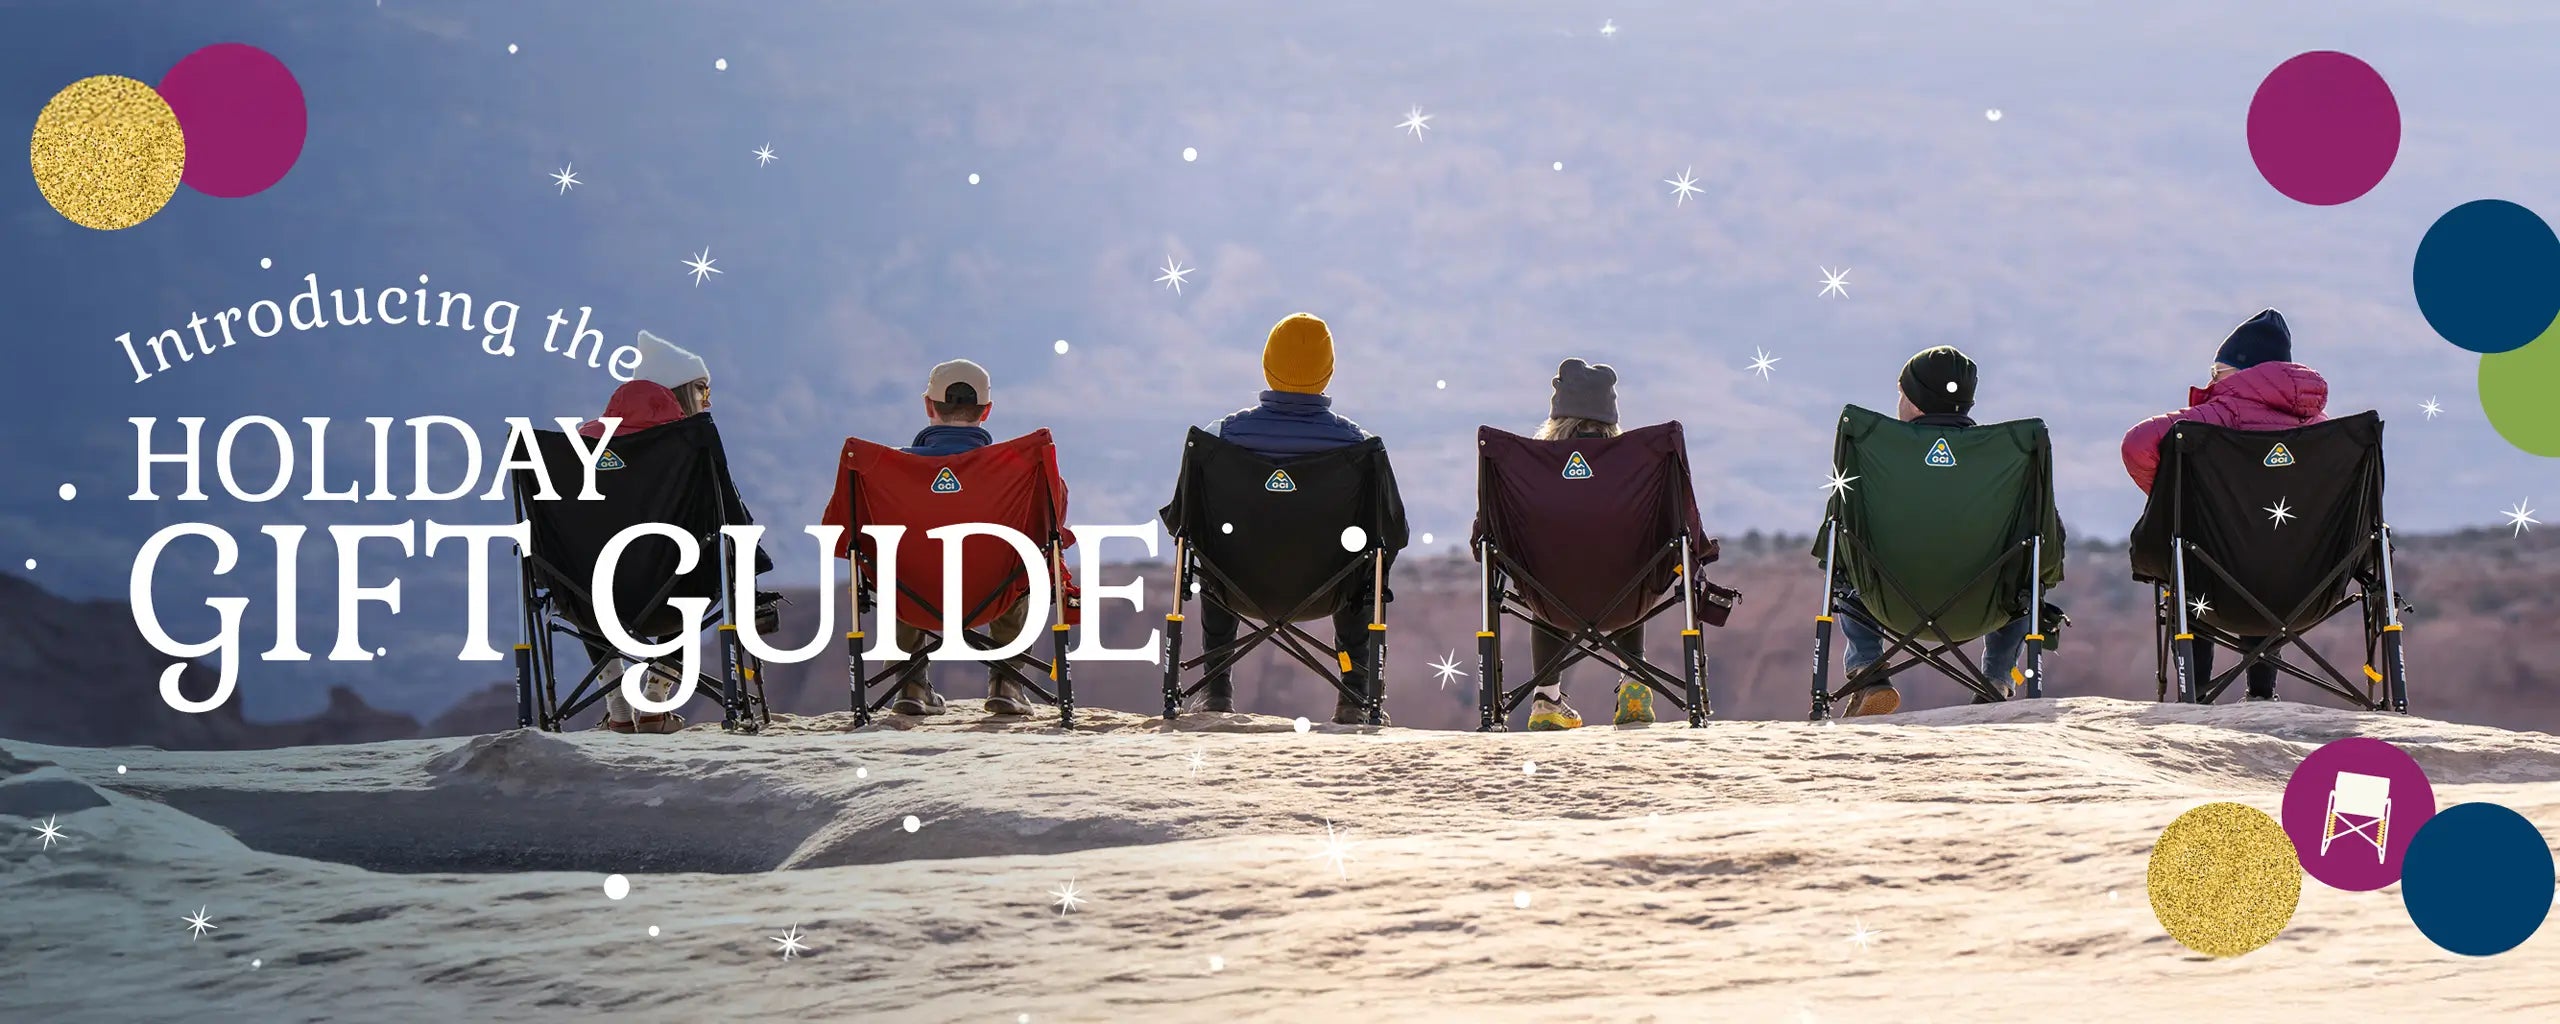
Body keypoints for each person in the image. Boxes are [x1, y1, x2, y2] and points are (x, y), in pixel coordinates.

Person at [2120, 308, 2328, 702]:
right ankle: (2262, 692)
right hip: (2306, 583)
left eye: (2218, 368)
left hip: (2214, 579)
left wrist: (2173, 498)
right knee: (2269, 551)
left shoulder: (2205, 421)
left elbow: (2137, 444)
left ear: (2241, 372)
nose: (2212, 378)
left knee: (2199, 549)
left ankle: (2196, 694)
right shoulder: (2327, 435)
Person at [576, 330, 775, 734]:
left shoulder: (579, 443)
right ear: (680, 392)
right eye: (703, 389)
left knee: (580, 564)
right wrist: (753, 566)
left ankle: (617, 710)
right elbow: (730, 517)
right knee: (697, 565)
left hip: (588, 597)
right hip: (670, 597)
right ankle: (654, 703)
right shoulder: (691, 446)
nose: (709, 399)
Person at [1200, 312, 1387, 725]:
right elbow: (1390, 533)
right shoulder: (1360, 447)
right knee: (1363, 565)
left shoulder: (1217, 440)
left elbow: (1184, 524)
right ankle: (1356, 695)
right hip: (1327, 590)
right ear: (1329, 372)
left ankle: (1216, 691)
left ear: (1267, 367)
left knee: (1209, 552)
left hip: (1237, 588)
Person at [1838, 346, 2034, 717]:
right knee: (2030, 574)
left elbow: (1839, 529)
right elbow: (2046, 541)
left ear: (1914, 400)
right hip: (1984, 607)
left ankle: (1869, 671)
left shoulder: (1877, 452)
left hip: (1887, 603)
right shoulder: (2008, 456)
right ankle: (1996, 679)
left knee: (1844, 556)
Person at [886, 358, 1053, 718]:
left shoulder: (891, 470)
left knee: (893, 563)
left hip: (916, 593)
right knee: (1021, 563)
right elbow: (1051, 524)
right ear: (987, 411)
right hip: (994, 591)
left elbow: (859, 538)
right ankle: (1006, 683)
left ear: (928, 406)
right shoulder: (1018, 470)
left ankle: (911, 686)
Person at [1517, 359, 1659, 731]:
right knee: (1634, 566)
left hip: (1551, 597)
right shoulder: (1635, 462)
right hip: (1627, 595)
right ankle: (1633, 684)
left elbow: (1493, 531)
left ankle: (1546, 699)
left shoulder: (1530, 466)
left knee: (1547, 580)